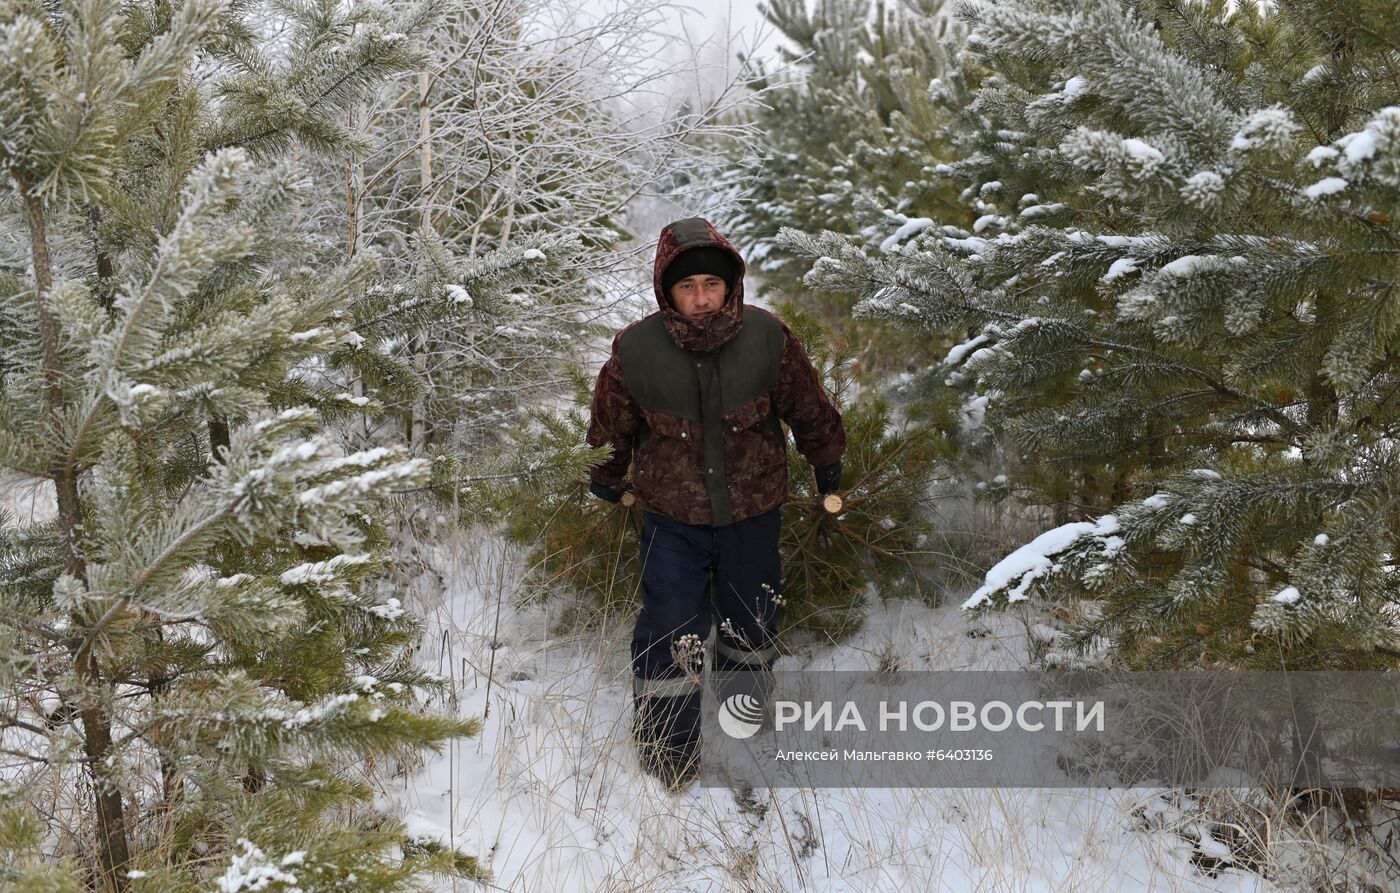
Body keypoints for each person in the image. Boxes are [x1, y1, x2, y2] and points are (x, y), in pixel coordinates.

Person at [585, 217, 846, 787]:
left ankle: (743, 724)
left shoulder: (768, 338)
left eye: (710, 284)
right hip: (670, 518)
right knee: (670, 628)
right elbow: (613, 425)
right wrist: (607, 472)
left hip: (753, 512)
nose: (700, 299)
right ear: (666, 290)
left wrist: (828, 466)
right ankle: (666, 754)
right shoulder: (636, 349)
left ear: (730, 284)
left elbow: (807, 408)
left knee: (751, 621)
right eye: (686, 287)